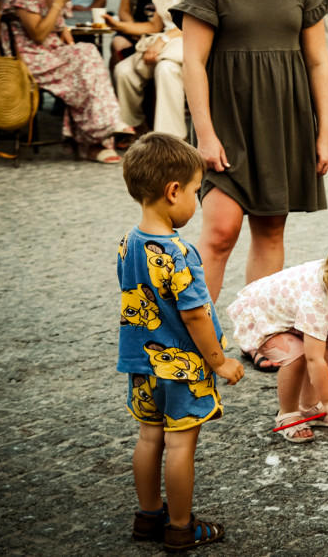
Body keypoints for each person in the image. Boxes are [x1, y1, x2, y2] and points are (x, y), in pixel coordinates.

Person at [171, 0, 328, 325]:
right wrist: (204, 133)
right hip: (225, 126)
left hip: (282, 126)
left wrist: (324, 135)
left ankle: (257, 332)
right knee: (220, 232)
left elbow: (319, 65)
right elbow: (193, 64)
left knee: (269, 231)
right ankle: (188, 335)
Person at [117, 132, 242, 552]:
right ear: (173, 192)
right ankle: (180, 526)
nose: (197, 200)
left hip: (141, 364)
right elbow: (194, 314)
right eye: (195, 191)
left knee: (148, 438)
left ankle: (148, 517)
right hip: (182, 368)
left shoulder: (128, 245)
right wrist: (220, 360)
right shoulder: (179, 253)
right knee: (179, 444)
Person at [228, 237, 328, 439]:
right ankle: (288, 414)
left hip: (283, 315)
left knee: (325, 343)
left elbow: (302, 301)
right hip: (261, 319)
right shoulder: (317, 300)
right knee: (297, 356)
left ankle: (308, 406)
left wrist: (325, 325)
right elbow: (314, 358)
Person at [2, 0, 131, 162]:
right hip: (30, 57)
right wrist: (61, 0)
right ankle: (101, 134)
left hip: (53, 53)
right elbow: (39, 34)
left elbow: (61, 29)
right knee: (83, 65)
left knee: (87, 56)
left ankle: (100, 135)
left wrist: (76, 51)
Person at [109, 0, 198, 139]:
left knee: (166, 69)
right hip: (165, 45)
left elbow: (193, 24)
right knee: (123, 71)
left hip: (188, 42)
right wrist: (119, 25)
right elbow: (154, 24)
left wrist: (162, 41)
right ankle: (135, 128)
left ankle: (170, 138)